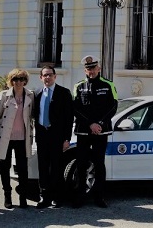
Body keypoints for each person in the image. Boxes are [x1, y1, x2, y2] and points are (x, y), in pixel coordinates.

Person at [72, 55, 118, 208]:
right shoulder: (79, 86)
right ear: (85, 70)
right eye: (88, 68)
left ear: (98, 68)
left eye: (93, 68)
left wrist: (98, 123)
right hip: (84, 131)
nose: (91, 71)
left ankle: (99, 197)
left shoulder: (108, 85)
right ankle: (79, 196)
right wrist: (90, 124)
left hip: (101, 131)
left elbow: (113, 107)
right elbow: (76, 108)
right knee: (81, 164)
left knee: (99, 164)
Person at [0, 69, 34, 209]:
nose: (18, 82)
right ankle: (7, 196)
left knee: (23, 168)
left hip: (22, 137)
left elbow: (31, 117)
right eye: (15, 79)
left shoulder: (30, 95)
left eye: (21, 79)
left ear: (25, 81)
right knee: (5, 167)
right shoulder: (4, 95)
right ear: (11, 81)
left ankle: (23, 198)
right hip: (6, 137)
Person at [34, 65, 74, 209]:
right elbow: (34, 114)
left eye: (50, 75)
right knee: (43, 167)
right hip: (42, 136)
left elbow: (69, 118)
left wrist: (67, 139)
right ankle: (44, 197)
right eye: (45, 75)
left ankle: (56, 197)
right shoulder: (37, 93)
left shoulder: (64, 93)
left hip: (57, 137)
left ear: (55, 76)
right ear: (41, 77)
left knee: (56, 168)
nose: (47, 77)